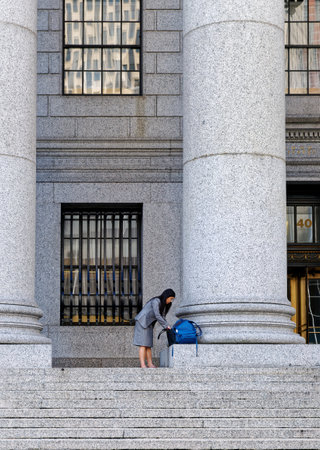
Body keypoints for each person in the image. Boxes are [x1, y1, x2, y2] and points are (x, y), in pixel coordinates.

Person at [133, 288, 176, 368]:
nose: (171, 301)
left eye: (172, 299)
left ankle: (150, 364)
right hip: (142, 322)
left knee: (148, 345)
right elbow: (157, 315)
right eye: (171, 299)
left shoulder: (163, 305)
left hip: (149, 324)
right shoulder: (156, 301)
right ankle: (143, 365)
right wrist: (166, 325)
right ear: (166, 296)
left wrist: (167, 326)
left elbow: (162, 316)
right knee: (143, 344)